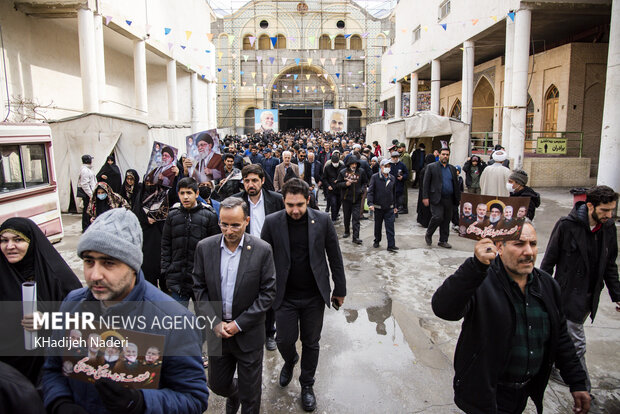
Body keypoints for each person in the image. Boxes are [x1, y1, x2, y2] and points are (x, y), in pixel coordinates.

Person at [41, 208, 209, 414]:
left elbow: (193, 399)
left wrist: (141, 402)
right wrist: (60, 402)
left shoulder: (174, 320)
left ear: (133, 266)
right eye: (88, 261)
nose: (94, 275)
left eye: (108, 263)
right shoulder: (72, 304)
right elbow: (52, 369)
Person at [432, 222, 591, 414]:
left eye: (532, 244)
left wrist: (577, 381)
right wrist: (475, 266)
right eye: (519, 244)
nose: (528, 251)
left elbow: (561, 338)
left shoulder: (548, 285)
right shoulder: (481, 281)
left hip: (523, 392)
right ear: (499, 247)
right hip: (486, 394)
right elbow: (444, 309)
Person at [260, 178, 346, 412]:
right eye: (290, 205)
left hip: (313, 296)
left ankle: (307, 385)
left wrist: (340, 290)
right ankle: (290, 360)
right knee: (283, 340)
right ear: (283, 202)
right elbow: (263, 260)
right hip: (284, 296)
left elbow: (334, 257)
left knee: (311, 342)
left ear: (308, 200)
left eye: (299, 204)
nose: (295, 210)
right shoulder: (271, 223)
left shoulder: (323, 221)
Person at [193, 197, 276, 414]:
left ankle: (243, 398)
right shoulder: (205, 248)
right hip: (218, 333)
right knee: (217, 384)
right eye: (224, 224)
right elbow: (199, 288)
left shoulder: (262, 250)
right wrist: (214, 322)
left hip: (248, 333)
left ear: (247, 221)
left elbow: (268, 294)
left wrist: (239, 324)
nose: (229, 230)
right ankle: (234, 393)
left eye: (235, 225)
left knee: (251, 396)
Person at [541, 185, 620, 394]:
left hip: (590, 295)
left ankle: (550, 365)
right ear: (590, 205)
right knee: (577, 343)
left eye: (612, 209)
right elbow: (549, 261)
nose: (609, 215)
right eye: (604, 210)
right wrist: (542, 292)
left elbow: (610, 265)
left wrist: (617, 296)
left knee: (561, 335)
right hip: (566, 295)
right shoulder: (567, 225)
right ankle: (583, 388)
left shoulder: (609, 228)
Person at [0, 218, 82, 385]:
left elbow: (84, 319)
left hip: (49, 369)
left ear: (32, 242)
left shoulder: (57, 277)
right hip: (8, 373)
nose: (10, 246)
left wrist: (48, 320)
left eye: (18, 240)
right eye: (3, 240)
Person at [233, 164, 285, 351]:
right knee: (245, 294)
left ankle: (269, 333)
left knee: (269, 294)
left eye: (254, 180)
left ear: (262, 181)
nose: (251, 184)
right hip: (243, 254)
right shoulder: (236, 202)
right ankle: (246, 329)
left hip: (270, 255)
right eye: (247, 181)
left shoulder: (276, 200)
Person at [161, 177, 220, 307]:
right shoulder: (173, 215)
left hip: (200, 279)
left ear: (196, 194)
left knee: (204, 320)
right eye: (182, 193)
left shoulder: (209, 216)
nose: (185, 197)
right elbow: (166, 244)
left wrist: (210, 274)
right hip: (177, 278)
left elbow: (214, 248)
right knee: (178, 321)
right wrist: (166, 269)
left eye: (189, 193)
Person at [422, 147, 460, 248]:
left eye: (447, 154)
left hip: (449, 198)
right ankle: (429, 234)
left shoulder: (452, 168)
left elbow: (455, 184)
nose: (445, 156)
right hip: (436, 197)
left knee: (446, 220)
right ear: (439, 155)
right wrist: (425, 197)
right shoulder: (431, 167)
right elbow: (426, 183)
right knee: (438, 217)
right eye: (443, 154)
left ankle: (443, 240)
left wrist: (457, 198)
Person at [367, 159, 398, 252]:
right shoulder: (375, 177)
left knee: (390, 227)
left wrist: (395, 206)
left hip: (389, 207)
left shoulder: (392, 178)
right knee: (378, 225)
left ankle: (391, 245)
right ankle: (377, 240)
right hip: (378, 207)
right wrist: (370, 203)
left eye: (389, 166)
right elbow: (370, 191)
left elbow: (394, 193)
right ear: (381, 167)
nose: (387, 168)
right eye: (385, 166)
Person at [336, 156, 367, 244]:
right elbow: (338, 184)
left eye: (355, 164)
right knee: (347, 217)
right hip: (346, 199)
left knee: (356, 218)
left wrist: (361, 190)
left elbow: (365, 182)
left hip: (357, 199)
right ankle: (347, 231)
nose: (354, 165)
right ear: (349, 164)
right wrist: (345, 184)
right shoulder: (343, 172)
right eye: (352, 164)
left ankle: (356, 237)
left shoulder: (361, 171)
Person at [416, 154, 436, 228]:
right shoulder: (432, 169)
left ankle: (424, 221)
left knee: (424, 207)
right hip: (430, 192)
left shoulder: (425, 169)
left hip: (423, 191)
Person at [323, 151, 344, 221]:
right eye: (334, 163)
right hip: (331, 189)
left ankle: (336, 214)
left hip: (340, 189)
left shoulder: (342, 167)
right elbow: (324, 178)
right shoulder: (327, 167)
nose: (335, 164)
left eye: (336, 163)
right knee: (333, 203)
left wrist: (339, 180)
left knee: (338, 204)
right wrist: (328, 186)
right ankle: (333, 218)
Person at [78, 154, 97, 232]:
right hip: (87, 194)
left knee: (89, 210)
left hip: (89, 193)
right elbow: (85, 184)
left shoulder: (87, 169)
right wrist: (91, 194)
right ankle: (86, 227)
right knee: (87, 211)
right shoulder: (85, 170)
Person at [397, 143, 412, 214]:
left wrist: (402, 176)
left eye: (400, 148)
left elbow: (405, 167)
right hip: (402, 177)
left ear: (403, 148)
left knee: (404, 193)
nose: (398, 149)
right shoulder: (402, 156)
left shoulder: (405, 156)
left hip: (404, 177)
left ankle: (404, 208)